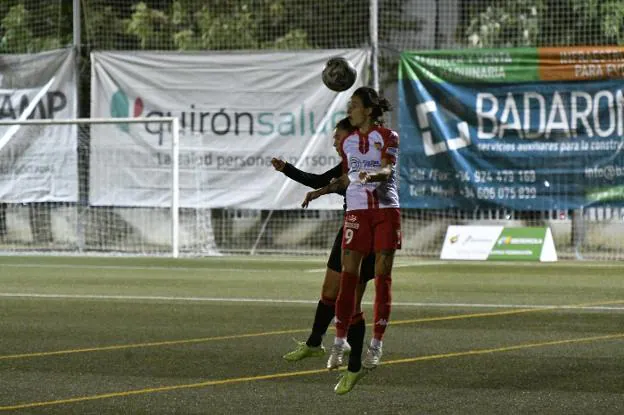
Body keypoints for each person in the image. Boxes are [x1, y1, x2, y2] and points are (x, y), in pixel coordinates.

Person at [301, 87, 400, 394]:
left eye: (354, 106)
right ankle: (341, 344)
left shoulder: (388, 136)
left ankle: (376, 344)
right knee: (347, 281)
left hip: (385, 210)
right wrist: (320, 191)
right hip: (356, 213)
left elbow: (387, 167)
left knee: (382, 277)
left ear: (368, 110)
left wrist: (375, 176)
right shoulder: (348, 142)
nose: (350, 111)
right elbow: (346, 177)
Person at [271, 117, 375, 378]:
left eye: (337, 139)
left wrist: (322, 191)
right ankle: (314, 344)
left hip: (368, 232)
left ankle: (355, 365)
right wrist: (287, 169)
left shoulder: (367, 161)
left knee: (351, 302)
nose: (334, 143)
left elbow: (343, 184)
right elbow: (320, 180)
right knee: (330, 292)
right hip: (348, 228)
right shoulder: (347, 163)